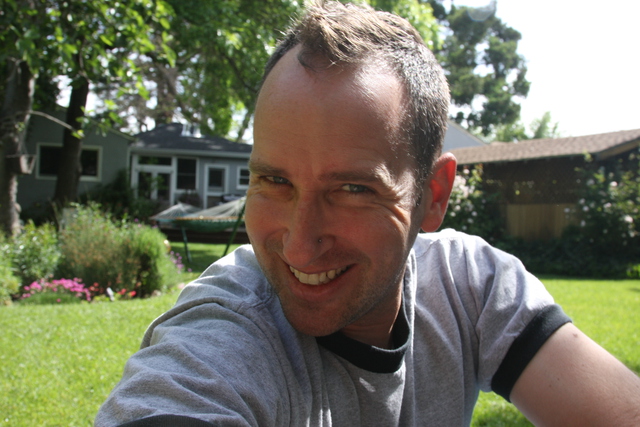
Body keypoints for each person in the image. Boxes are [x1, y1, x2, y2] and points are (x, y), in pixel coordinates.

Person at [96, 1, 640, 426]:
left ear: (433, 196)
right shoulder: (223, 336)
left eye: (353, 189)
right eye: (275, 181)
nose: (299, 245)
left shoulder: (469, 287)